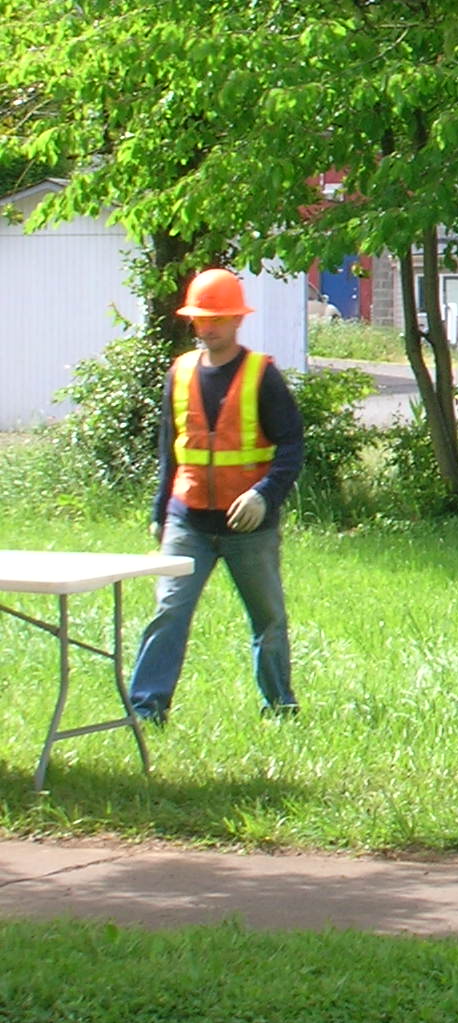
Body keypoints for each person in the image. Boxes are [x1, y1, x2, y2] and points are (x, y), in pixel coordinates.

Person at [128, 268, 305, 722]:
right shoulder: (180, 372)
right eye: (201, 319)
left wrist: (265, 495)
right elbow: (171, 447)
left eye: (218, 319)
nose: (208, 327)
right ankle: (145, 710)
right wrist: (159, 510)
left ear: (237, 320)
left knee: (268, 620)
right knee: (169, 613)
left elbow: (292, 446)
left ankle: (279, 707)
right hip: (187, 520)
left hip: (249, 526)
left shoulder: (261, 376)